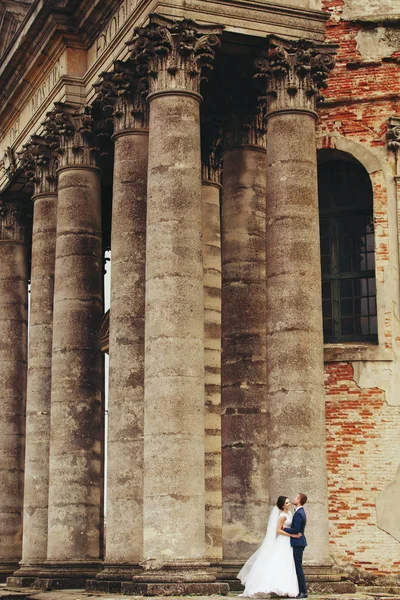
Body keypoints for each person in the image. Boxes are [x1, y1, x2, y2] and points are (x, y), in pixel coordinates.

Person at [238, 496, 302, 598]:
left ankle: (286, 587)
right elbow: (278, 530)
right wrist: (292, 535)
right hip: (283, 540)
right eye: (287, 503)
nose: (289, 504)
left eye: (289, 502)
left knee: (287, 563)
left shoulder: (289, 513)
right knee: (280, 562)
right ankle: (273, 586)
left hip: (288, 542)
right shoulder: (282, 516)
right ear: (282, 506)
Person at [283, 493, 308, 599]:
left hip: (298, 542)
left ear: (299, 501)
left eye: (295, 497)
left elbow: (296, 530)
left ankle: (303, 591)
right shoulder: (299, 512)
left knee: (298, 568)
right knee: (297, 567)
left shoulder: (299, 513)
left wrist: (283, 528)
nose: (293, 498)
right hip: (298, 542)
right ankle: (300, 590)